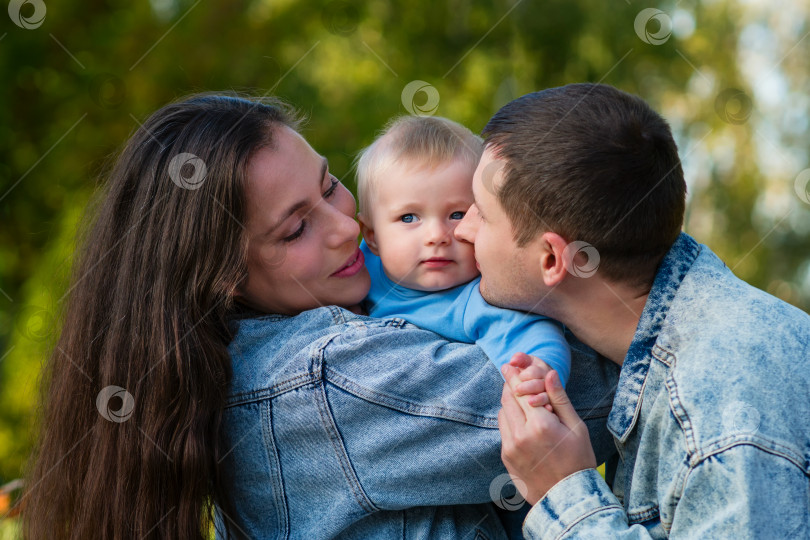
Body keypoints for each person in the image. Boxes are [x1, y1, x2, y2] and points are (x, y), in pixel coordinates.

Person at [23, 93, 620, 539]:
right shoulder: (326, 379)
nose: (345, 227)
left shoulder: (336, 308)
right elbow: (598, 394)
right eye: (297, 228)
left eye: (329, 184)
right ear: (226, 280)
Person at [454, 83, 810, 538]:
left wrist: (564, 495)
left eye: (481, 213)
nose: (461, 230)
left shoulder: (723, 410)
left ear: (552, 259)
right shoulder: (689, 339)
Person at [356, 115, 570, 385]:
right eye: (409, 217)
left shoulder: (479, 299)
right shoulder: (357, 268)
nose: (436, 236)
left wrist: (539, 372)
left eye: (457, 214)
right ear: (372, 236)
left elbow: (535, 335)